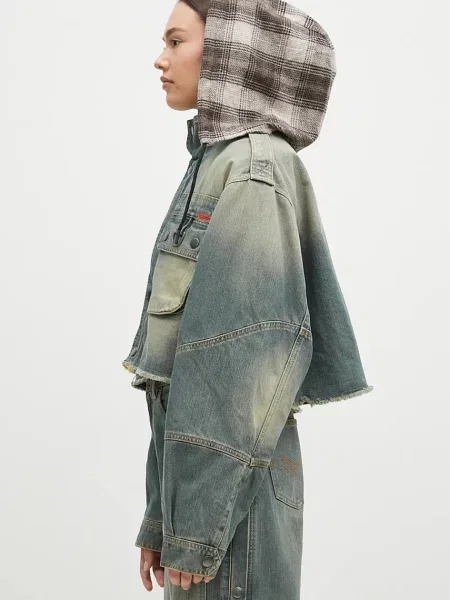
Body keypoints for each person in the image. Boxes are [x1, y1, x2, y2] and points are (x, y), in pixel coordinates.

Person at [122, 0, 373, 597]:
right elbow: (175, 374)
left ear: (228, 51)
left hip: (233, 510)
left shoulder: (254, 167)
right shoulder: (216, 162)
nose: (160, 60)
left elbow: (236, 364)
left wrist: (195, 527)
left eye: (176, 41)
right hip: (214, 502)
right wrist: (163, 516)